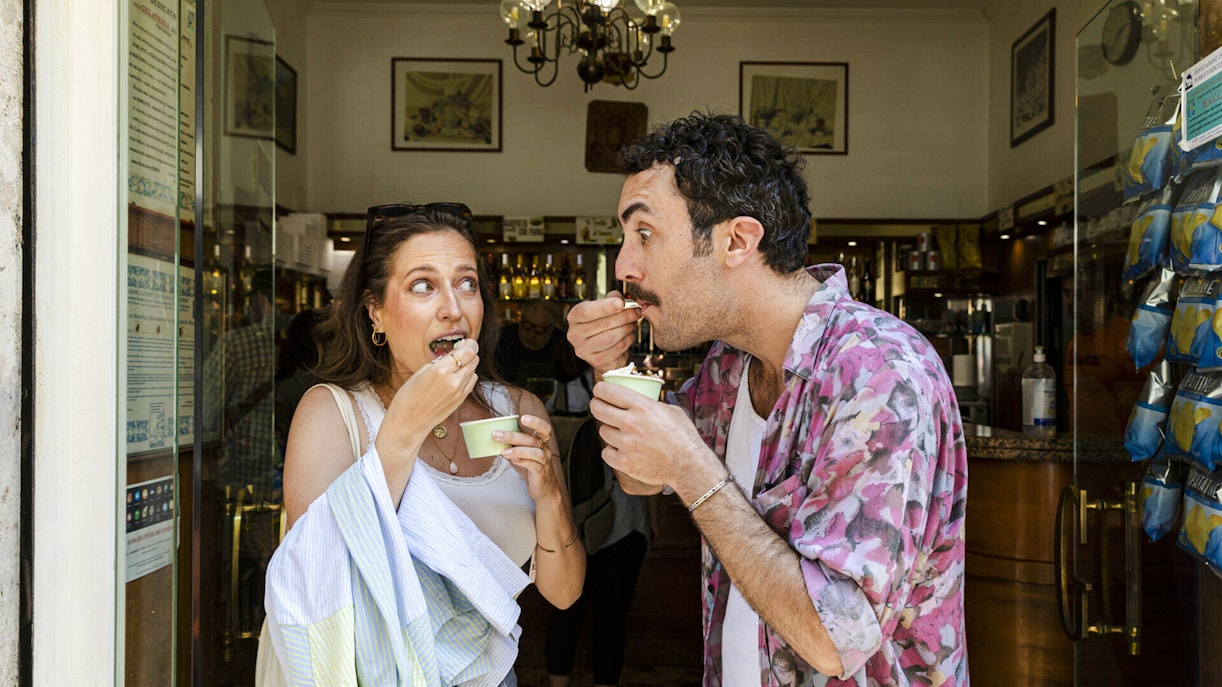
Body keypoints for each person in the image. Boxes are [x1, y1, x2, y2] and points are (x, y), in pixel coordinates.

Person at [565, 113, 969, 686]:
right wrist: (610, 366)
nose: (624, 266)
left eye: (644, 234)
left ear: (737, 240)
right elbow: (641, 477)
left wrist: (694, 469)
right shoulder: (729, 365)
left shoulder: (879, 374)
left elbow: (834, 640)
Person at [265, 203, 585, 685]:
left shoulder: (519, 412)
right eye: (423, 285)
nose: (453, 308)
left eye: (467, 283)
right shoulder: (334, 415)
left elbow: (564, 594)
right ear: (376, 312)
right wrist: (404, 427)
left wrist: (550, 497)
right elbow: (315, 581)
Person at [544, 346, 660, 687]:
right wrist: (654, 517)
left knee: (567, 610)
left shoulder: (558, 390)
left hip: (572, 518)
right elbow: (649, 460)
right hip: (625, 519)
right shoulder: (633, 390)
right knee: (612, 617)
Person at [495, 297, 567, 387]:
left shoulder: (563, 345)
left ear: (551, 329)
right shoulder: (502, 339)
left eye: (539, 331)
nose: (531, 336)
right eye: (526, 327)